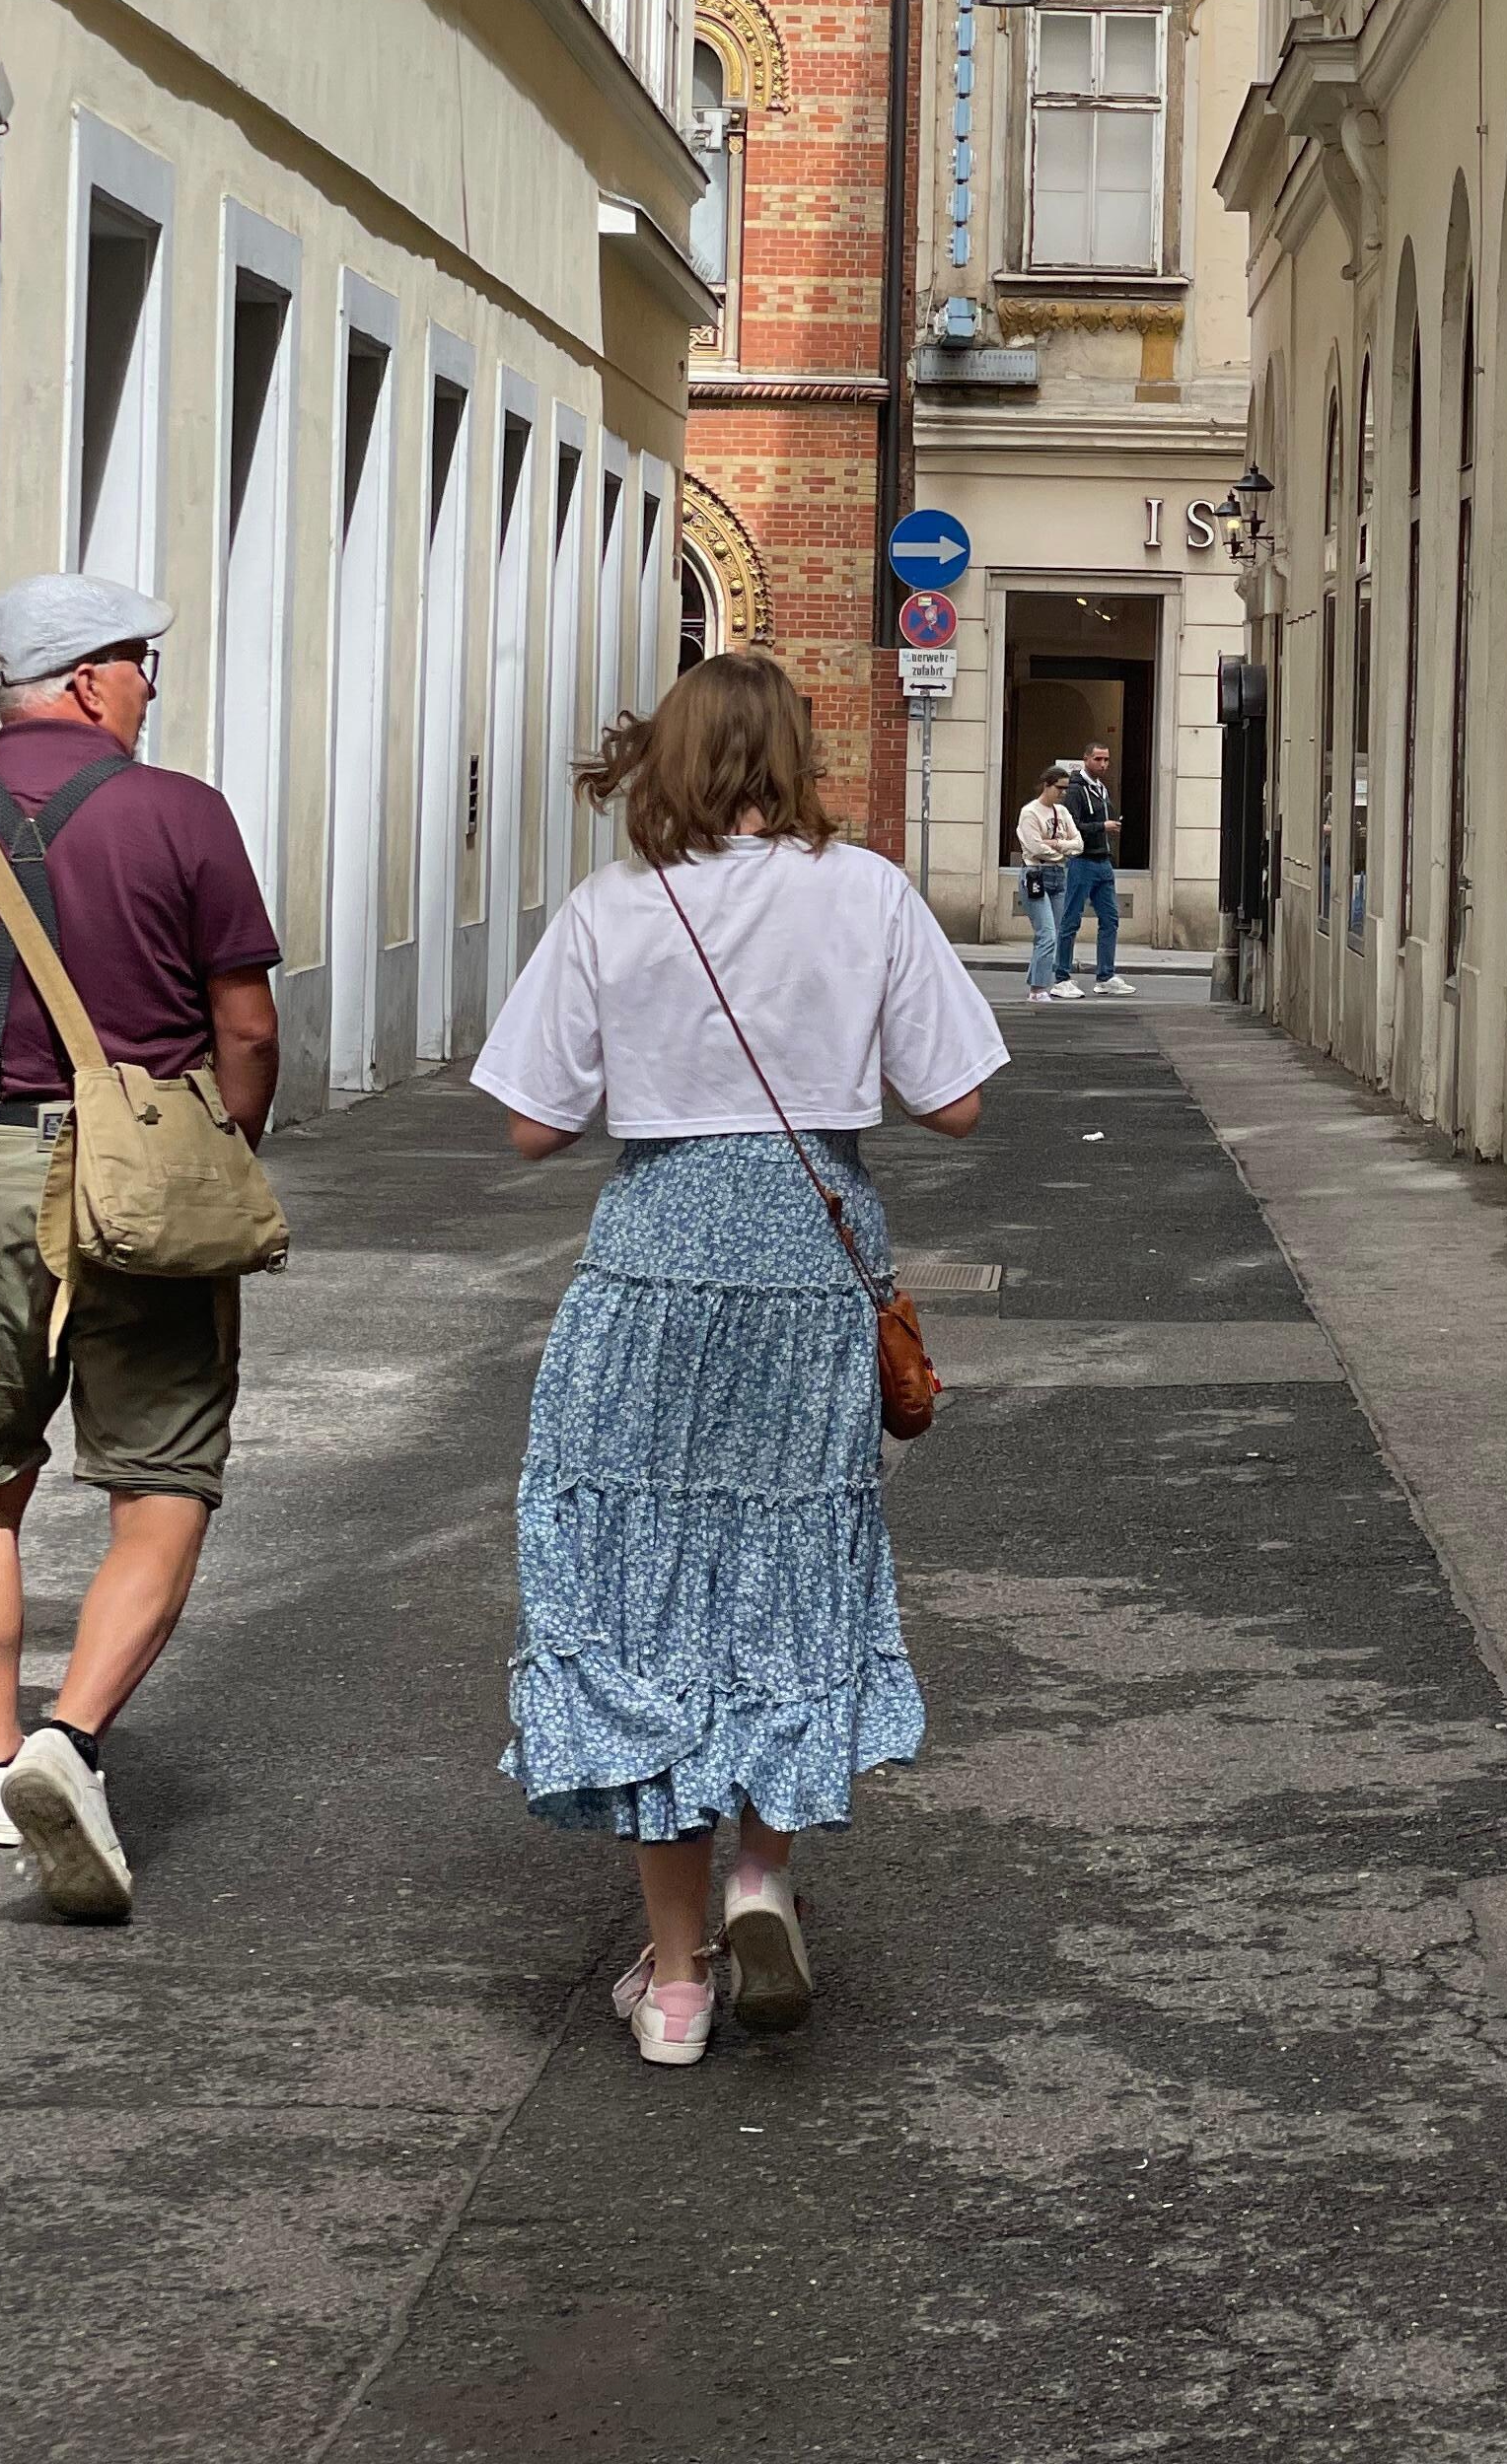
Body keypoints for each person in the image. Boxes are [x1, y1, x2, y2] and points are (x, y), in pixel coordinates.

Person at [473, 653, 1006, 2069]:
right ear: (794, 757)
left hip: (654, 1257)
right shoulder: (871, 892)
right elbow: (952, 1102)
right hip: (808, 1253)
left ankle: (676, 1983)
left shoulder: (609, 908)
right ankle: (764, 1876)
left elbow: (531, 1122)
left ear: (672, 761)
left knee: (640, 1590)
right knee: (780, 1569)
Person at [0, 575, 282, 1926]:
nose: (153, 683)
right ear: (89, 678)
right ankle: (70, 1739)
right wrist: (215, 1151)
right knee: (161, 1476)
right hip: (147, 1168)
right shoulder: (183, 815)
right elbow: (247, 1032)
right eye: (143, 661)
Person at [1052, 740, 1134, 995]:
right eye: (1098, 759)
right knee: (1071, 919)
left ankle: (1106, 976)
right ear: (1086, 759)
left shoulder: (1101, 789)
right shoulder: (1076, 790)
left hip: (1103, 861)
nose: (1103, 764)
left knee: (1110, 919)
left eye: (1106, 760)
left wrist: (1106, 830)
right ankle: (1061, 975)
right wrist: (1102, 827)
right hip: (1083, 861)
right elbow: (1071, 826)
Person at [1014, 764, 1082, 1003]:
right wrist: (1062, 850)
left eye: (1066, 788)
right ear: (1047, 785)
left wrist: (1057, 846)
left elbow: (1079, 844)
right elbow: (1034, 848)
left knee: (1054, 932)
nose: (1063, 793)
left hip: (1057, 874)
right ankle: (1038, 988)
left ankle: (1037, 983)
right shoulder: (1030, 812)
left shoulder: (1062, 812)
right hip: (1035, 873)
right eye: (1059, 788)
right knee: (1047, 933)